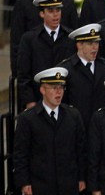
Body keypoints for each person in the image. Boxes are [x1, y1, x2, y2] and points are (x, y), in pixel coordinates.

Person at [12, 67, 87, 195]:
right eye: (53, 88)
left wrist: (82, 177)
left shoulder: (73, 115)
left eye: (61, 87)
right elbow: (21, 153)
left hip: (68, 184)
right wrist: (24, 182)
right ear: (42, 90)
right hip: (40, 185)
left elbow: (81, 149)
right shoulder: (28, 119)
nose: (58, 92)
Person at [11, 0, 78, 74]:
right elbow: (16, 42)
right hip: (34, 67)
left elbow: (74, 35)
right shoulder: (25, 4)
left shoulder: (67, 3)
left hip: (61, 67)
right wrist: (17, 73)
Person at [16, 0, 74, 109]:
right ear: (42, 14)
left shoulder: (70, 38)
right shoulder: (29, 39)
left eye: (58, 10)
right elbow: (23, 74)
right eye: (51, 11)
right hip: (38, 101)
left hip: (64, 101)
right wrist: (29, 101)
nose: (55, 15)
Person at [59, 23, 105, 122]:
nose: (95, 48)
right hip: (77, 124)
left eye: (96, 43)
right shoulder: (66, 69)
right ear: (79, 45)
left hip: (103, 125)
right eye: (90, 43)